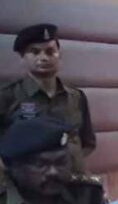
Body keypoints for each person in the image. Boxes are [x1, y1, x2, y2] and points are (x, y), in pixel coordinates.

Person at [0, 23, 96, 172]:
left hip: (70, 180)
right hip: (25, 181)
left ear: (60, 56)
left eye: (50, 51)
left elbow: (87, 142)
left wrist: (68, 162)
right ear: (22, 58)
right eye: (35, 52)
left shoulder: (76, 97)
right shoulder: (7, 95)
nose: (44, 57)